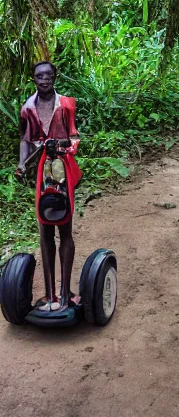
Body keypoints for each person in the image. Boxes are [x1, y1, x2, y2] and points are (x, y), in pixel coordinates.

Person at [15, 61, 82, 311]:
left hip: (62, 170)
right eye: (39, 76)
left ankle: (65, 293)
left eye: (48, 76)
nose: (44, 80)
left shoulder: (66, 105)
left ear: (55, 77)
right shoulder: (27, 108)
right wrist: (22, 164)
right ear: (33, 79)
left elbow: (74, 137)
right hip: (42, 172)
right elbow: (25, 139)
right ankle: (49, 293)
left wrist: (62, 145)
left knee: (64, 225)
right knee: (44, 229)